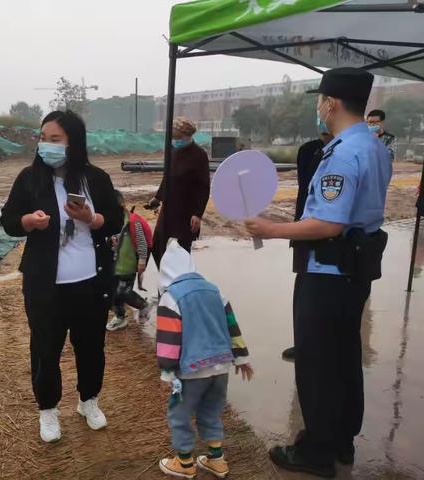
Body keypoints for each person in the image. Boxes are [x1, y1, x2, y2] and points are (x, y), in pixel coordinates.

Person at [245, 68, 392, 478]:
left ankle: (317, 451)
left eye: (320, 99)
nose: (318, 107)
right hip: (353, 271)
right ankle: (342, 439)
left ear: (332, 103)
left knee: (317, 361)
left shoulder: (343, 153)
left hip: (328, 270)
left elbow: (329, 224)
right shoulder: (374, 146)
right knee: (344, 356)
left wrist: (271, 230)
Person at [0, 110, 123, 443]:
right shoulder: (29, 178)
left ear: (74, 143)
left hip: (91, 283)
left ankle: (88, 401)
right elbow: (9, 220)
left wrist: (92, 217)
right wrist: (28, 221)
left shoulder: (95, 179)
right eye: (43, 138)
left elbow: (115, 219)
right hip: (44, 286)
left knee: (91, 347)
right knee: (45, 349)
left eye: (55, 139)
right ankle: (49, 410)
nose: (46, 145)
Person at [156, 240, 253, 479]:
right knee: (211, 411)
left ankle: (185, 463)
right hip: (221, 367)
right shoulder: (215, 290)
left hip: (191, 372)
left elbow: (169, 339)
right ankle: (216, 460)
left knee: (179, 415)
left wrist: (167, 371)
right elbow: (232, 326)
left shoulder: (171, 297)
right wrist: (241, 358)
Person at [282, 127, 334, 362]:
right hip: (304, 227)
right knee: (303, 291)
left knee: (323, 297)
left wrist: (272, 230)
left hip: (330, 237)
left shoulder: (345, 152)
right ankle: (303, 342)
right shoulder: (308, 151)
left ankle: (320, 346)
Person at [147, 117, 210, 268]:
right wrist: (157, 198)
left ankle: (179, 284)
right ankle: (164, 284)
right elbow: (167, 177)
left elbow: (203, 187)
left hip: (186, 212)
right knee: (158, 247)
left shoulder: (199, 155)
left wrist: (197, 213)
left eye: (175, 131)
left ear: (184, 133)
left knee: (180, 251)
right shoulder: (173, 150)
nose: (172, 135)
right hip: (169, 208)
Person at [106, 191, 153, 331]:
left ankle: (143, 305)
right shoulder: (111, 223)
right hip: (115, 265)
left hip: (129, 265)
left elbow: (142, 243)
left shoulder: (133, 222)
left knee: (123, 292)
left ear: (121, 205)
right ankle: (120, 317)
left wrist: (142, 261)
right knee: (114, 293)